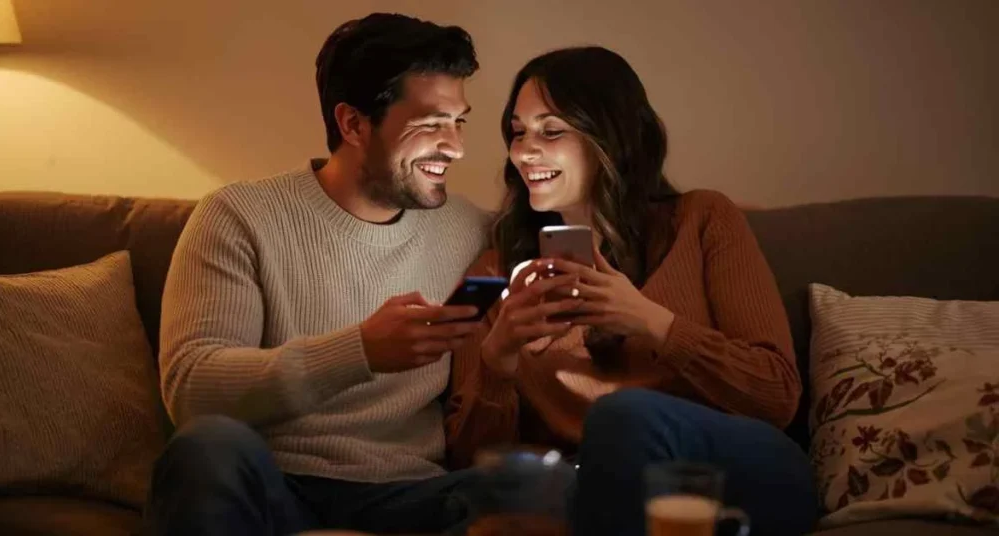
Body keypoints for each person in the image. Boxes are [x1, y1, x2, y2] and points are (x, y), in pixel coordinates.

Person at [445, 46, 819, 535]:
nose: (524, 151)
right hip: (599, 493)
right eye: (517, 132)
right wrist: (497, 364)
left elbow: (777, 395)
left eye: (551, 131)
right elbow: (471, 464)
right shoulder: (491, 274)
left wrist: (653, 323)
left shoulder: (704, 219)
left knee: (624, 415)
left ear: (613, 139)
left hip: (736, 472)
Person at [145, 13, 492, 536]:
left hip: (412, 492)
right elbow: (191, 389)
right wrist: (360, 351)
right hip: (276, 483)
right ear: (353, 124)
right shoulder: (240, 216)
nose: (456, 146)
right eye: (430, 123)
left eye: (458, 120)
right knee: (205, 449)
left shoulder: (468, 229)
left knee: (540, 486)